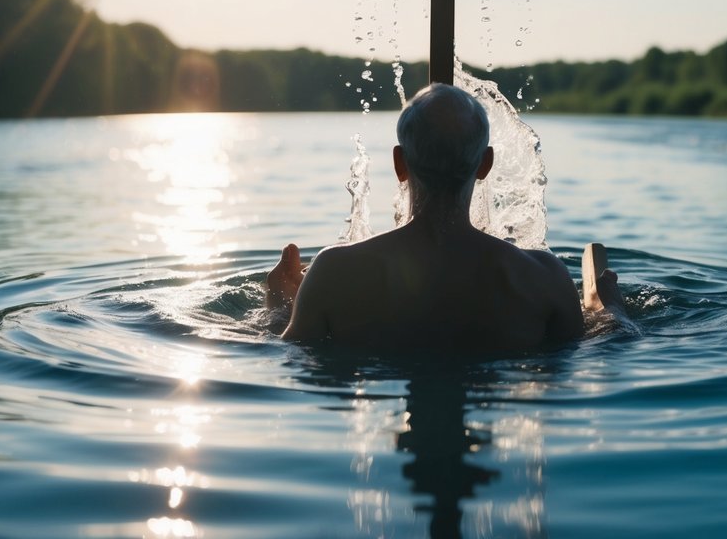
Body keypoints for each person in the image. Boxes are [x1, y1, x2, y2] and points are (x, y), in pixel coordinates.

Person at [265, 83, 631, 353]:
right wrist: (609, 312)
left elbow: (289, 355)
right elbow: (587, 354)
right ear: (485, 164)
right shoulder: (542, 277)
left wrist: (281, 306)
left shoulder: (334, 272)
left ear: (399, 163)